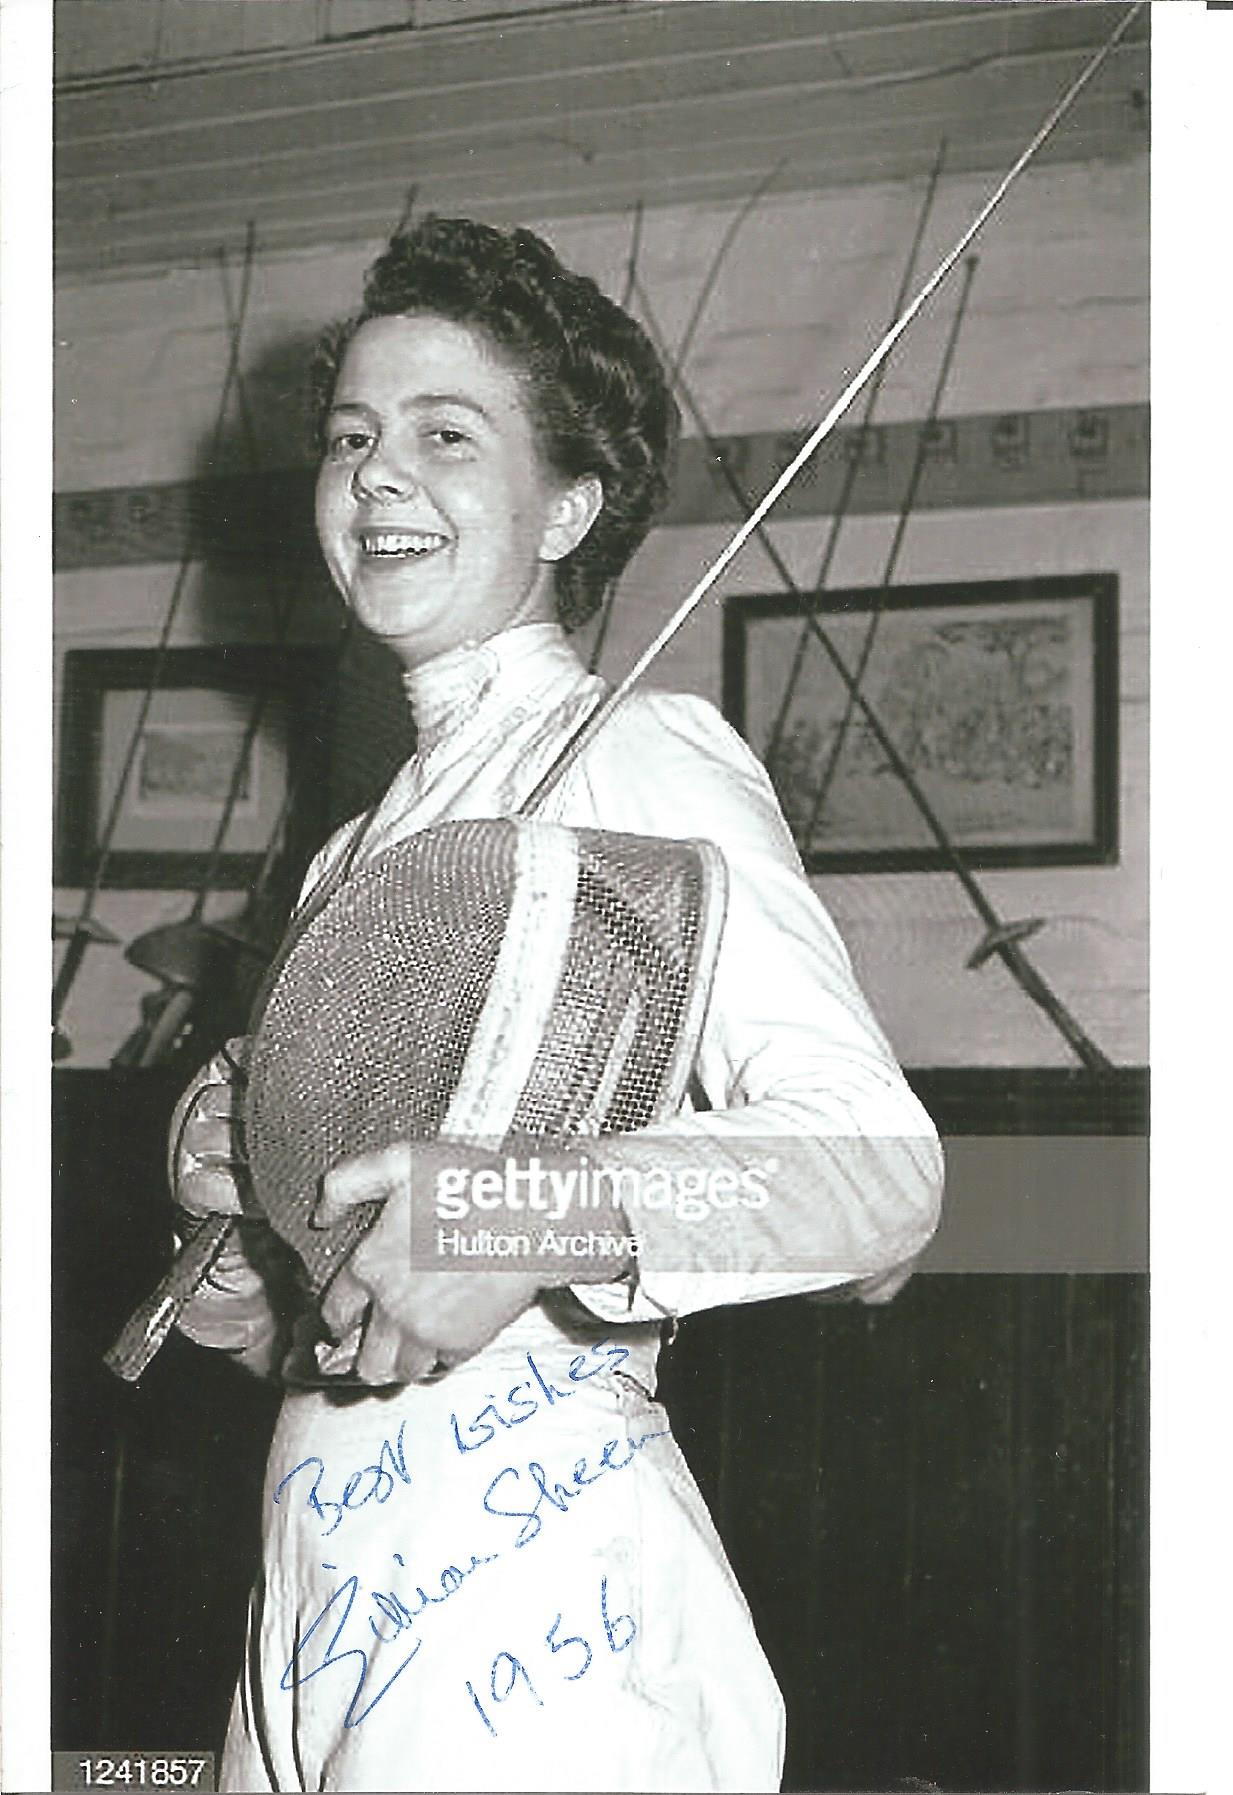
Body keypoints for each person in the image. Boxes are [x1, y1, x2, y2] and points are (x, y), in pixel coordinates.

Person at [169, 216, 943, 1793]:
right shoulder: (346, 855)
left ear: (568, 506)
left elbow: (882, 1175)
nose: (377, 476)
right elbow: (350, 1337)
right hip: (314, 1604)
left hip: (537, 1620)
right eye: (352, 439)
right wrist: (233, 1250)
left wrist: (507, 1216)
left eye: (446, 437)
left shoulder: (643, 753)